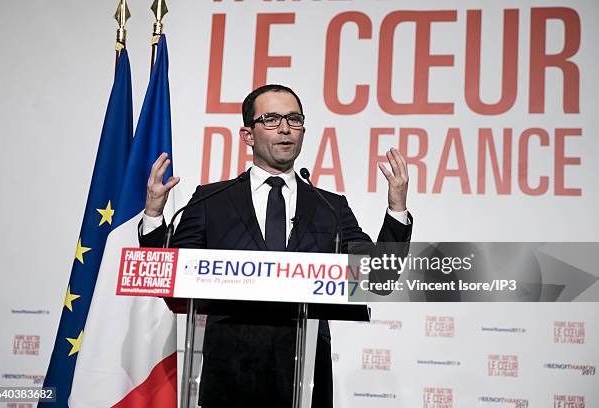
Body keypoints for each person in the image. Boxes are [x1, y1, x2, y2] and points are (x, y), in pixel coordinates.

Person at [139, 84, 412, 407]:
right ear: (247, 135)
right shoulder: (212, 200)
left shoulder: (328, 206)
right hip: (229, 376)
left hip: (304, 373)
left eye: (294, 119)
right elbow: (167, 274)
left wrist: (396, 209)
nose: (285, 128)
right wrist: (154, 215)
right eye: (271, 119)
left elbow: (375, 279)